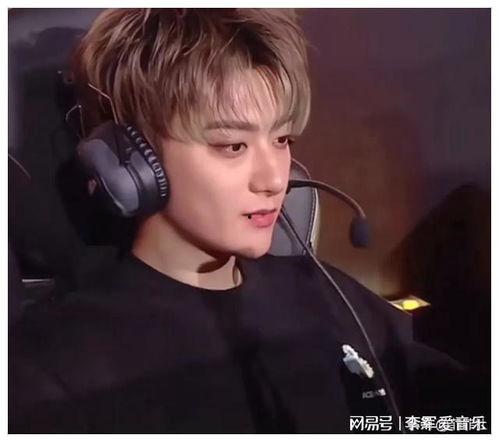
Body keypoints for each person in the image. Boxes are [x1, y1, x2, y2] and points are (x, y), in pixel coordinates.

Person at [9, 8, 489, 433]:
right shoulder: (58, 365)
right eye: (232, 145)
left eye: (282, 140)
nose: (274, 178)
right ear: (129, 161)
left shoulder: (325, 292)